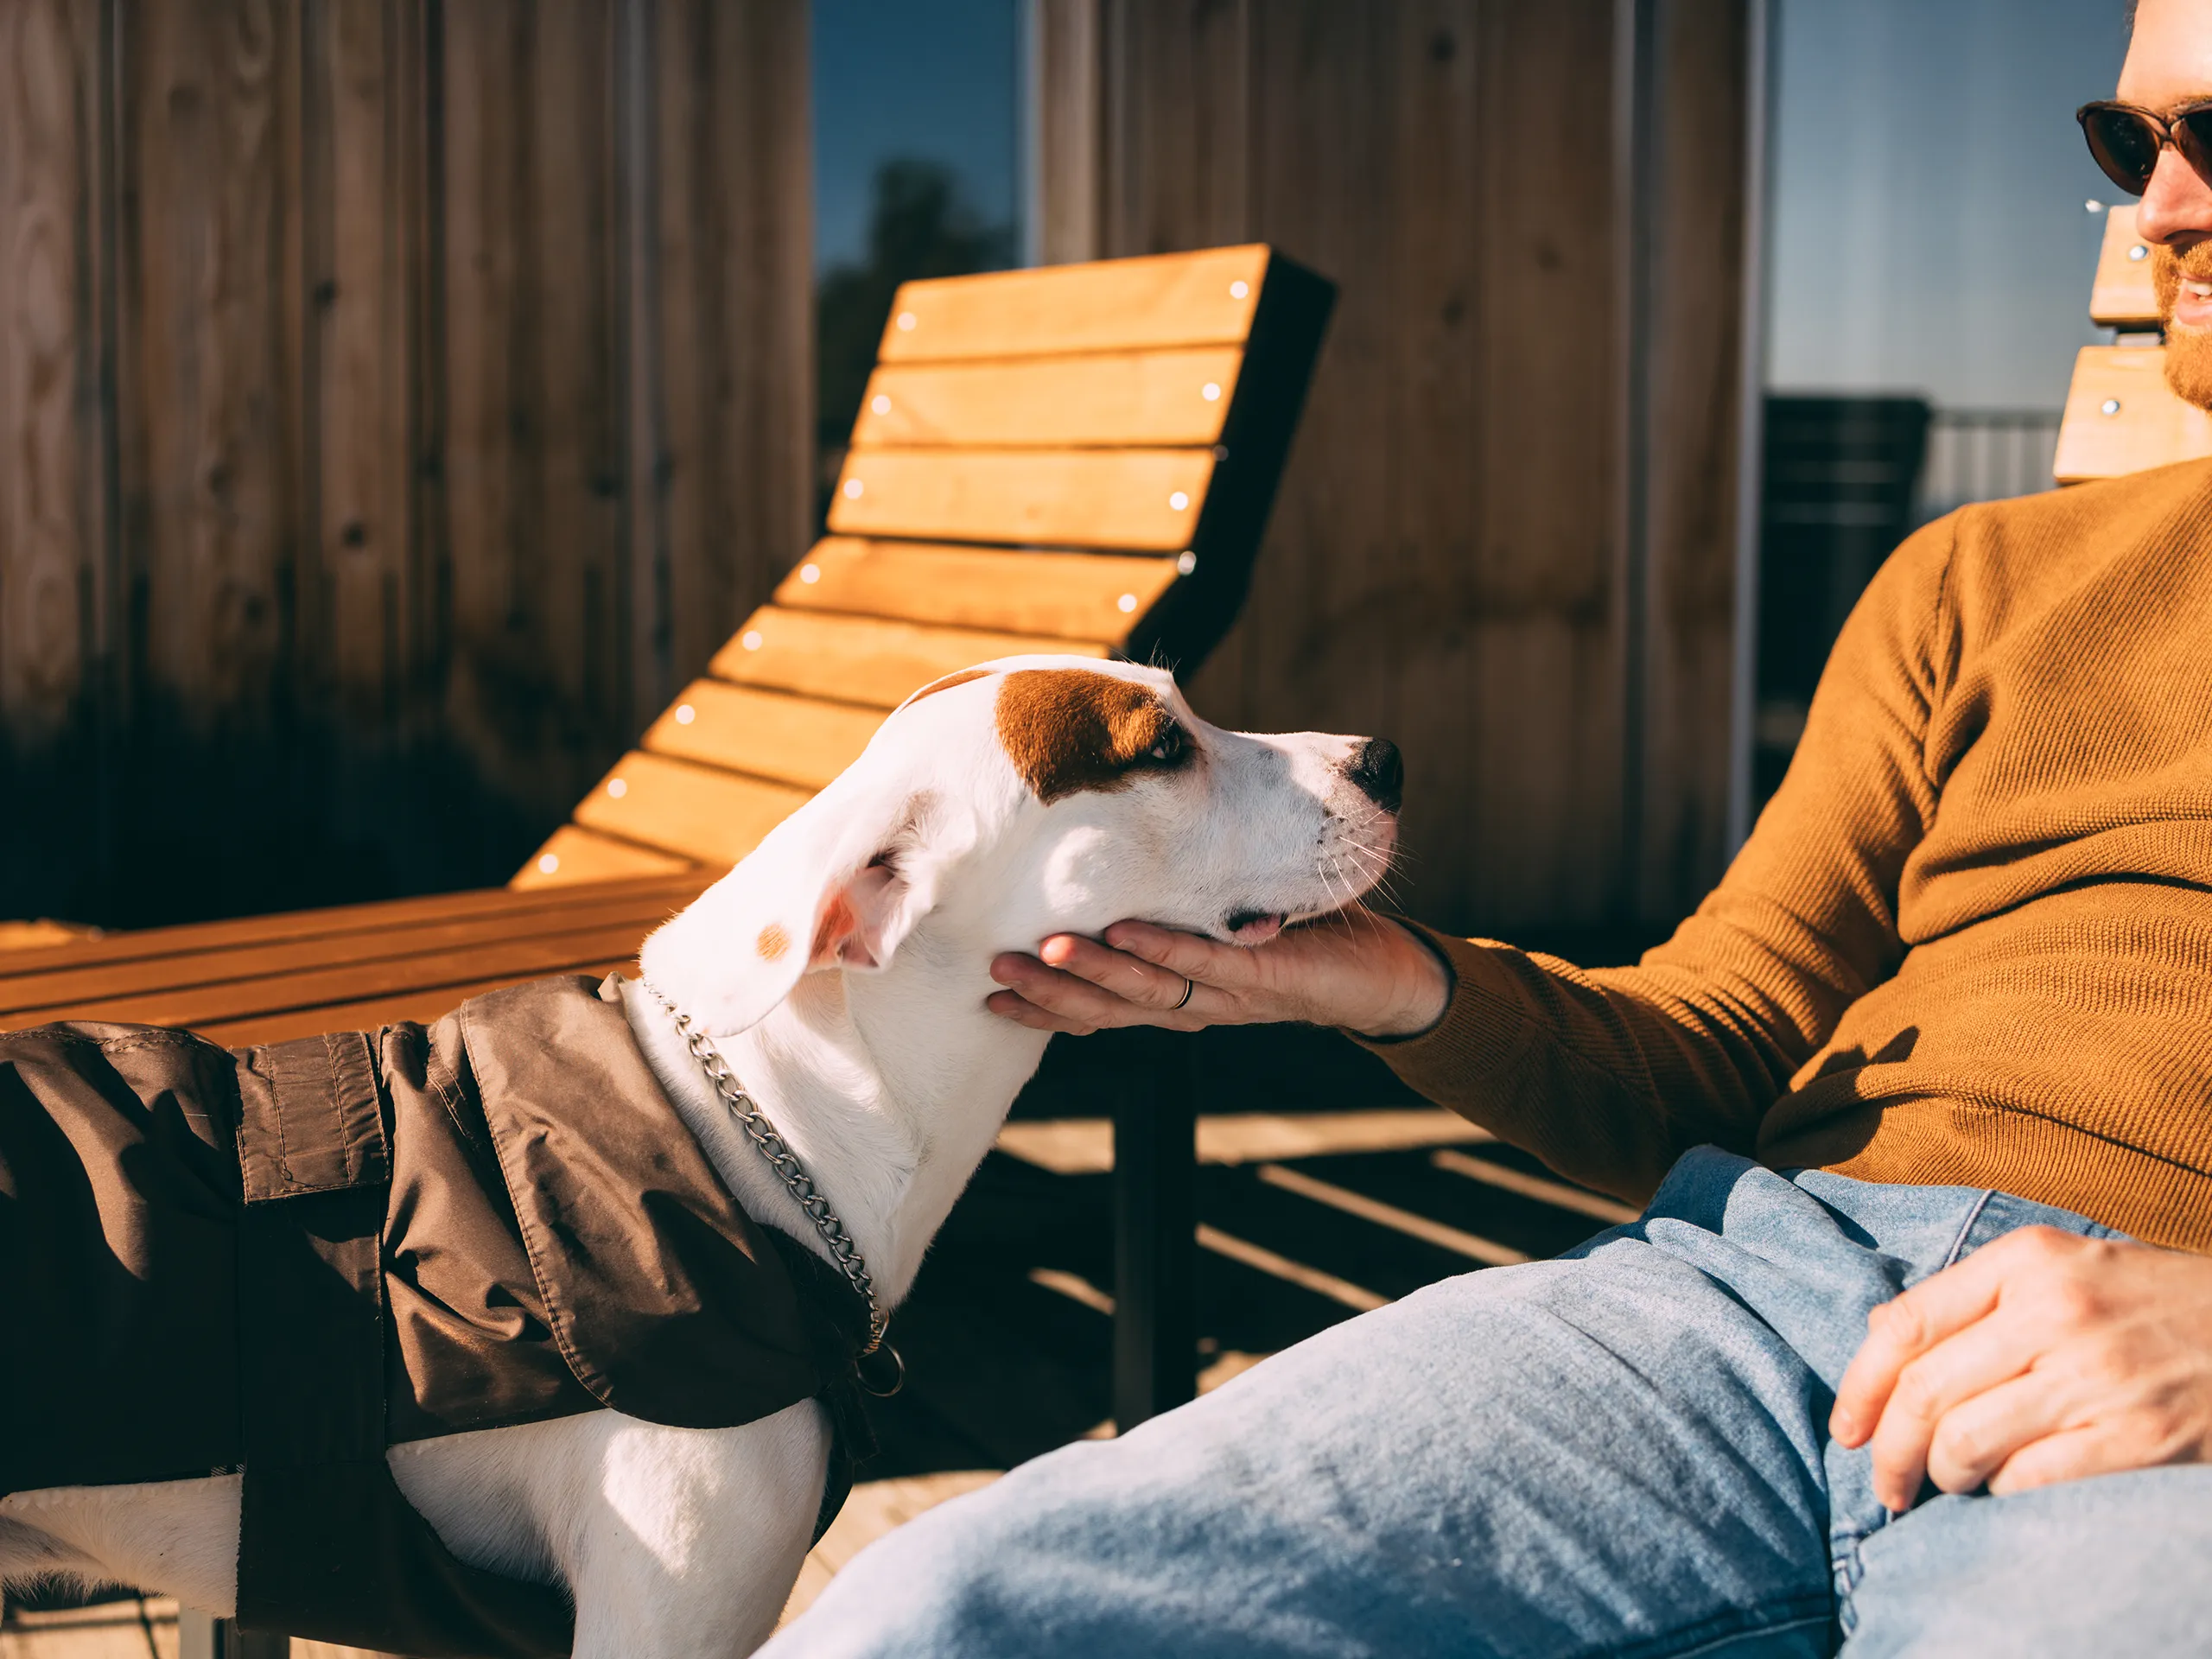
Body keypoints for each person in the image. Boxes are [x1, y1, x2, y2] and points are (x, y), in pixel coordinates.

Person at [763, 7, 2212, 1652]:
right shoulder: (1987, 584)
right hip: (1761, 1306)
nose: (2157, 215)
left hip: (2171, 1407)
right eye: (2130, 145)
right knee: (952, 1613)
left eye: (2211, 141)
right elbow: (1717, 1043)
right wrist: (1384, 984)